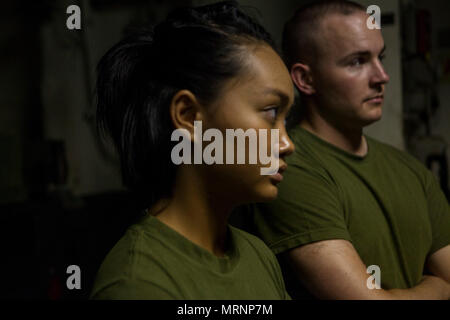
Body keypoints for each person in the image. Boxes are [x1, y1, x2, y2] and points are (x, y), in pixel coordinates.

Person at [89, 1, 295, 299]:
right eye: (270, 112)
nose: (287, 144)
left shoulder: (256, 254)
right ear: (189, 116)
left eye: (286, 119)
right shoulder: (138, 284)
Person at [249, 0, 450, 299]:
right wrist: (437, 287)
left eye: (380, 57)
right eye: (357, 61)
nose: (382, 77)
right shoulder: (285, 168)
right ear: (305, 79)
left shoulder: (411, 170)